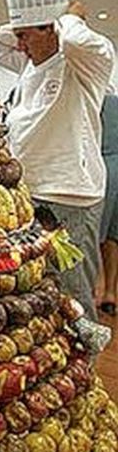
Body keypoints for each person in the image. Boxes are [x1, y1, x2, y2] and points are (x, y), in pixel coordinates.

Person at [0, 0, 115, 320]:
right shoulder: (31, 64)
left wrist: (69, 17)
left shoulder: (85, 64)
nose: (20, 45)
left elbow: (78, 41)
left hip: (71, 196)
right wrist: (26, 26)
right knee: (38, 290)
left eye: (27, 36)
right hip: (31, 193)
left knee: (73, 296)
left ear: (51, 29)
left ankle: (84, 375)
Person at [98, 93, 118, 315]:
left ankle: (89, 292)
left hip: (101, 171)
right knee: (113, 236)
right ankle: (110, 293)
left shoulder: (90, 99)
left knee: (92, 235)